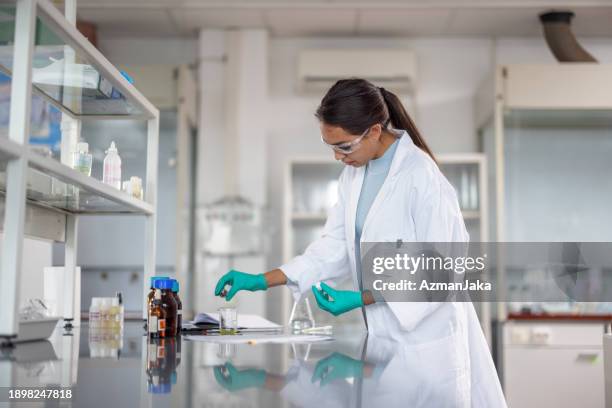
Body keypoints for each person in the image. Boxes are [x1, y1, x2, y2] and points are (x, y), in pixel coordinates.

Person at [214, 78, 505, 404]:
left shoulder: (421, 176)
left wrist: (363, 297)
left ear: (375, 131)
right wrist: (262, 280)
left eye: (345, 146)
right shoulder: (353, 175)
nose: (339, 157)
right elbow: (333, 246)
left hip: (427, 349)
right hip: (384, 348)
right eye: (331, 146)